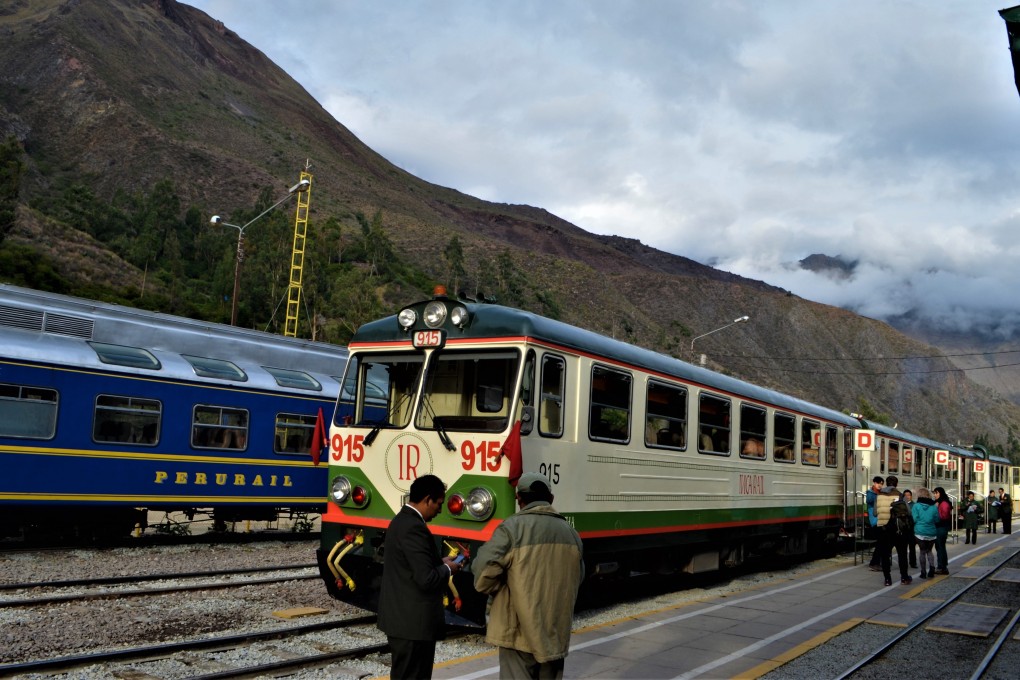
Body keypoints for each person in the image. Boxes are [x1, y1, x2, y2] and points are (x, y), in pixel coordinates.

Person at [474, 472, 585, 680]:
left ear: (520, 500)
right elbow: (578, 578)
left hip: (517, 630)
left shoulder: (511, 529)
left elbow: (483, 573)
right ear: (551, 499)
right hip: (554, 632)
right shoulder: (570, 533)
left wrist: (499, 588)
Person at [377, 474, 463, 680]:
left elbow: (412, 565)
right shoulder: (414, 527)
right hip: (412, 625)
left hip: (404, 621)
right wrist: (449, 569)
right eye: (439, 504)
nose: (440, 510)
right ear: (427, 500)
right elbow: (426, 579)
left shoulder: (401, 521)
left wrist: (439, 562)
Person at [875, 475, 910, 586]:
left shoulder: (879, 496)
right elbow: (908, 512)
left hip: (883, 529)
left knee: (885, 555)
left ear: (886, 483)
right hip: (898, 529)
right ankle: (904, 578)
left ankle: (887, 580)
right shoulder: (900, 495)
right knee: (902, 554)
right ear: (896, 484)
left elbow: (875, 513)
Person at [911, 487, 938, 580]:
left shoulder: (916, 506)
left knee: (922, 552)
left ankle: (923, 572)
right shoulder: (933, 507)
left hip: (920, 532)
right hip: (932, 532)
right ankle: (932, 567)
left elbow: (914, 519)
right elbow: (937, 519)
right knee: (929, 551)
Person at [932, 486, 953, 576]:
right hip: (940, 527)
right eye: (934, 493)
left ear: (941, 493)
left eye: (936, 493)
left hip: (941, 527)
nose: (935, 495)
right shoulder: (940, 502)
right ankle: (943, 566)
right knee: (940, 547)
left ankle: (942, 567)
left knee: (940, 547)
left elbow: (943, 516)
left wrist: (935, 509)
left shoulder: (943, 503)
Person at [866, 476, 884, 571]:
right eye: (878, 483)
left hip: (881, 520)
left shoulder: (881, 493)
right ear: (874, 483)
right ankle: (874, 562)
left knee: (881, 542)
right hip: (875, 521)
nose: (880, 485)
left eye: (881, 483)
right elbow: (869, 501)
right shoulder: (870, 494)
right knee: (880, 542)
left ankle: (877, 562)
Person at [902, 489, 917, 569]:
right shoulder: (901, 504)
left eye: (909, 495)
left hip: (911, 529)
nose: (907, 497)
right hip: (903, 528)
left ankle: (913, 562)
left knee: (912, 547)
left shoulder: (914, 505)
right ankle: (904, 563)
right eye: (905, 495)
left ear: (911, 496)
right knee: (903, 548)